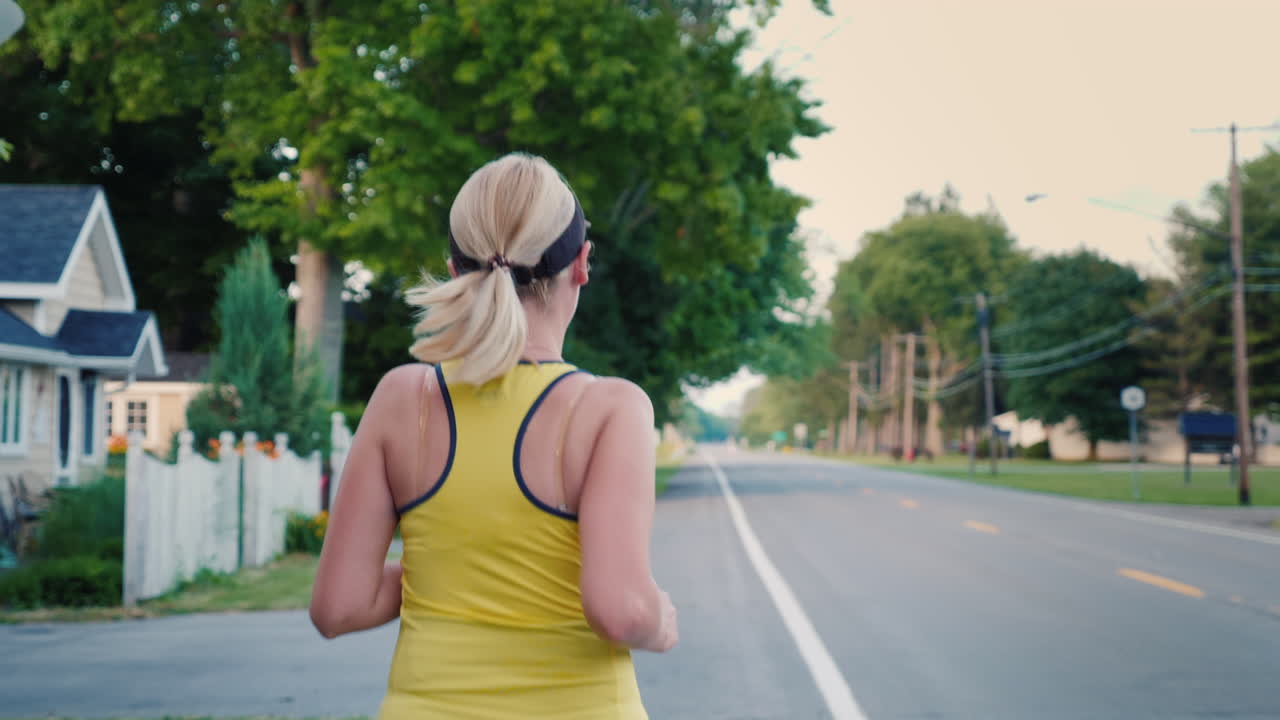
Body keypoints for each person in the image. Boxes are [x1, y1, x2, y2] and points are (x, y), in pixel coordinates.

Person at [309, 152, 678, 719]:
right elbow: (621, 611)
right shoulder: (610, 409)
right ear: (581, 263)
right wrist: (659, 617)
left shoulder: (404, 398)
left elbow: (338, 607)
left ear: (457, 272)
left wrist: (454, 563)